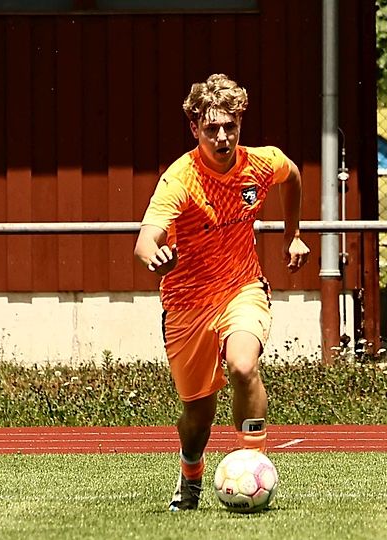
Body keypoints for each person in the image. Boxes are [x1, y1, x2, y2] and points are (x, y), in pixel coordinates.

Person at [134, 73, 310, 511]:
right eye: (211, 128)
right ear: (194, 128)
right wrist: (155, 256)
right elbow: (144, 240)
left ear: (240, 123)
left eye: (230, 126)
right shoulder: (180, 179)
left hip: (241, 288)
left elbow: (292, 177)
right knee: (198, 415)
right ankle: (190, 476)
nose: (222, 137)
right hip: (187, 303)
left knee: (243, 365)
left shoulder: (262, 163)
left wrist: (293, 234)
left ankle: (254, 462)